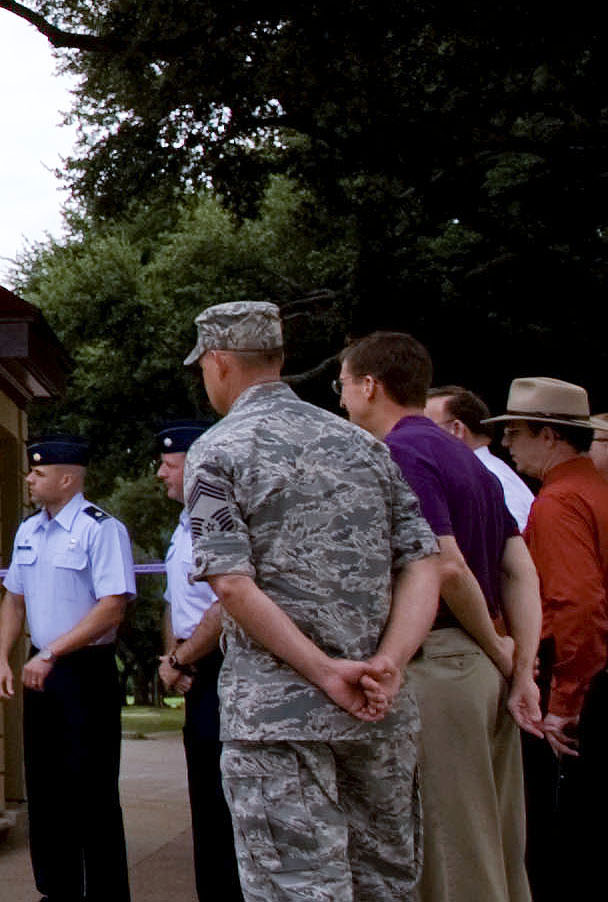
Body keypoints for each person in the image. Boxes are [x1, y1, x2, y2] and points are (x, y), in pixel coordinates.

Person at [182, 300, 443, 902]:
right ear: (278, 358)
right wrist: (391, 662)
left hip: (279, 723)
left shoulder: (218, 451)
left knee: (296, 889)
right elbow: (425, 563)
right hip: (376, 712)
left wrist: (325, 672)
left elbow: (231, 583)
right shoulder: (365, 446)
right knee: (384, 887)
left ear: (219, 363)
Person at [339, 333, 541, 902]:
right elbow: (519, 569)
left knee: (453, 856)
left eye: (343, 385)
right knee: (498, 846)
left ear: (369, 386)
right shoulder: (468, 459)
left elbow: (445, 566)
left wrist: (501, 651)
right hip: (482, 669)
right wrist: (520, 665)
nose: (342, 400)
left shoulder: (400, 454)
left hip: (441, 667)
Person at [0, 434, 135, 902]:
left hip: (83, 670)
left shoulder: (101, 529)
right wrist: (3, 659)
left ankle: (105, 894)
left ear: (68, 479)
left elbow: (112, 606)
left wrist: (53, 653)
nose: (29, 479)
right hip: (41, 670)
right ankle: (57, 890)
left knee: (91, 791)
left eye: (39, 472)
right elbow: (14, 599)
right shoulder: (29, 531)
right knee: (46, 788)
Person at [485, 376, 608, 902]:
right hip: (592, 677)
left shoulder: (560, 500)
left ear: (550, 435)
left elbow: (576, 604)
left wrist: (563, 704)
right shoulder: (594, 489)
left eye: (515, 431)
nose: (506, 443)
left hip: (582, 686)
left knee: (563, 845)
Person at [158, 420, 241, 902]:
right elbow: (175, 602)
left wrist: (182, 658)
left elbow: (227, 604)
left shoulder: (218, 519)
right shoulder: (183, 526)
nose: (160, 474)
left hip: (221, 667)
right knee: (205, 802)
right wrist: (173, 658)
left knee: (225, 804)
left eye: (169, 465)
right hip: (192, 667)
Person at [428, 385, 538, 531]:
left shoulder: (490, 478)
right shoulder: (486, 473)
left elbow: (519, 538)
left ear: (457, 429)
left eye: (425, 427)